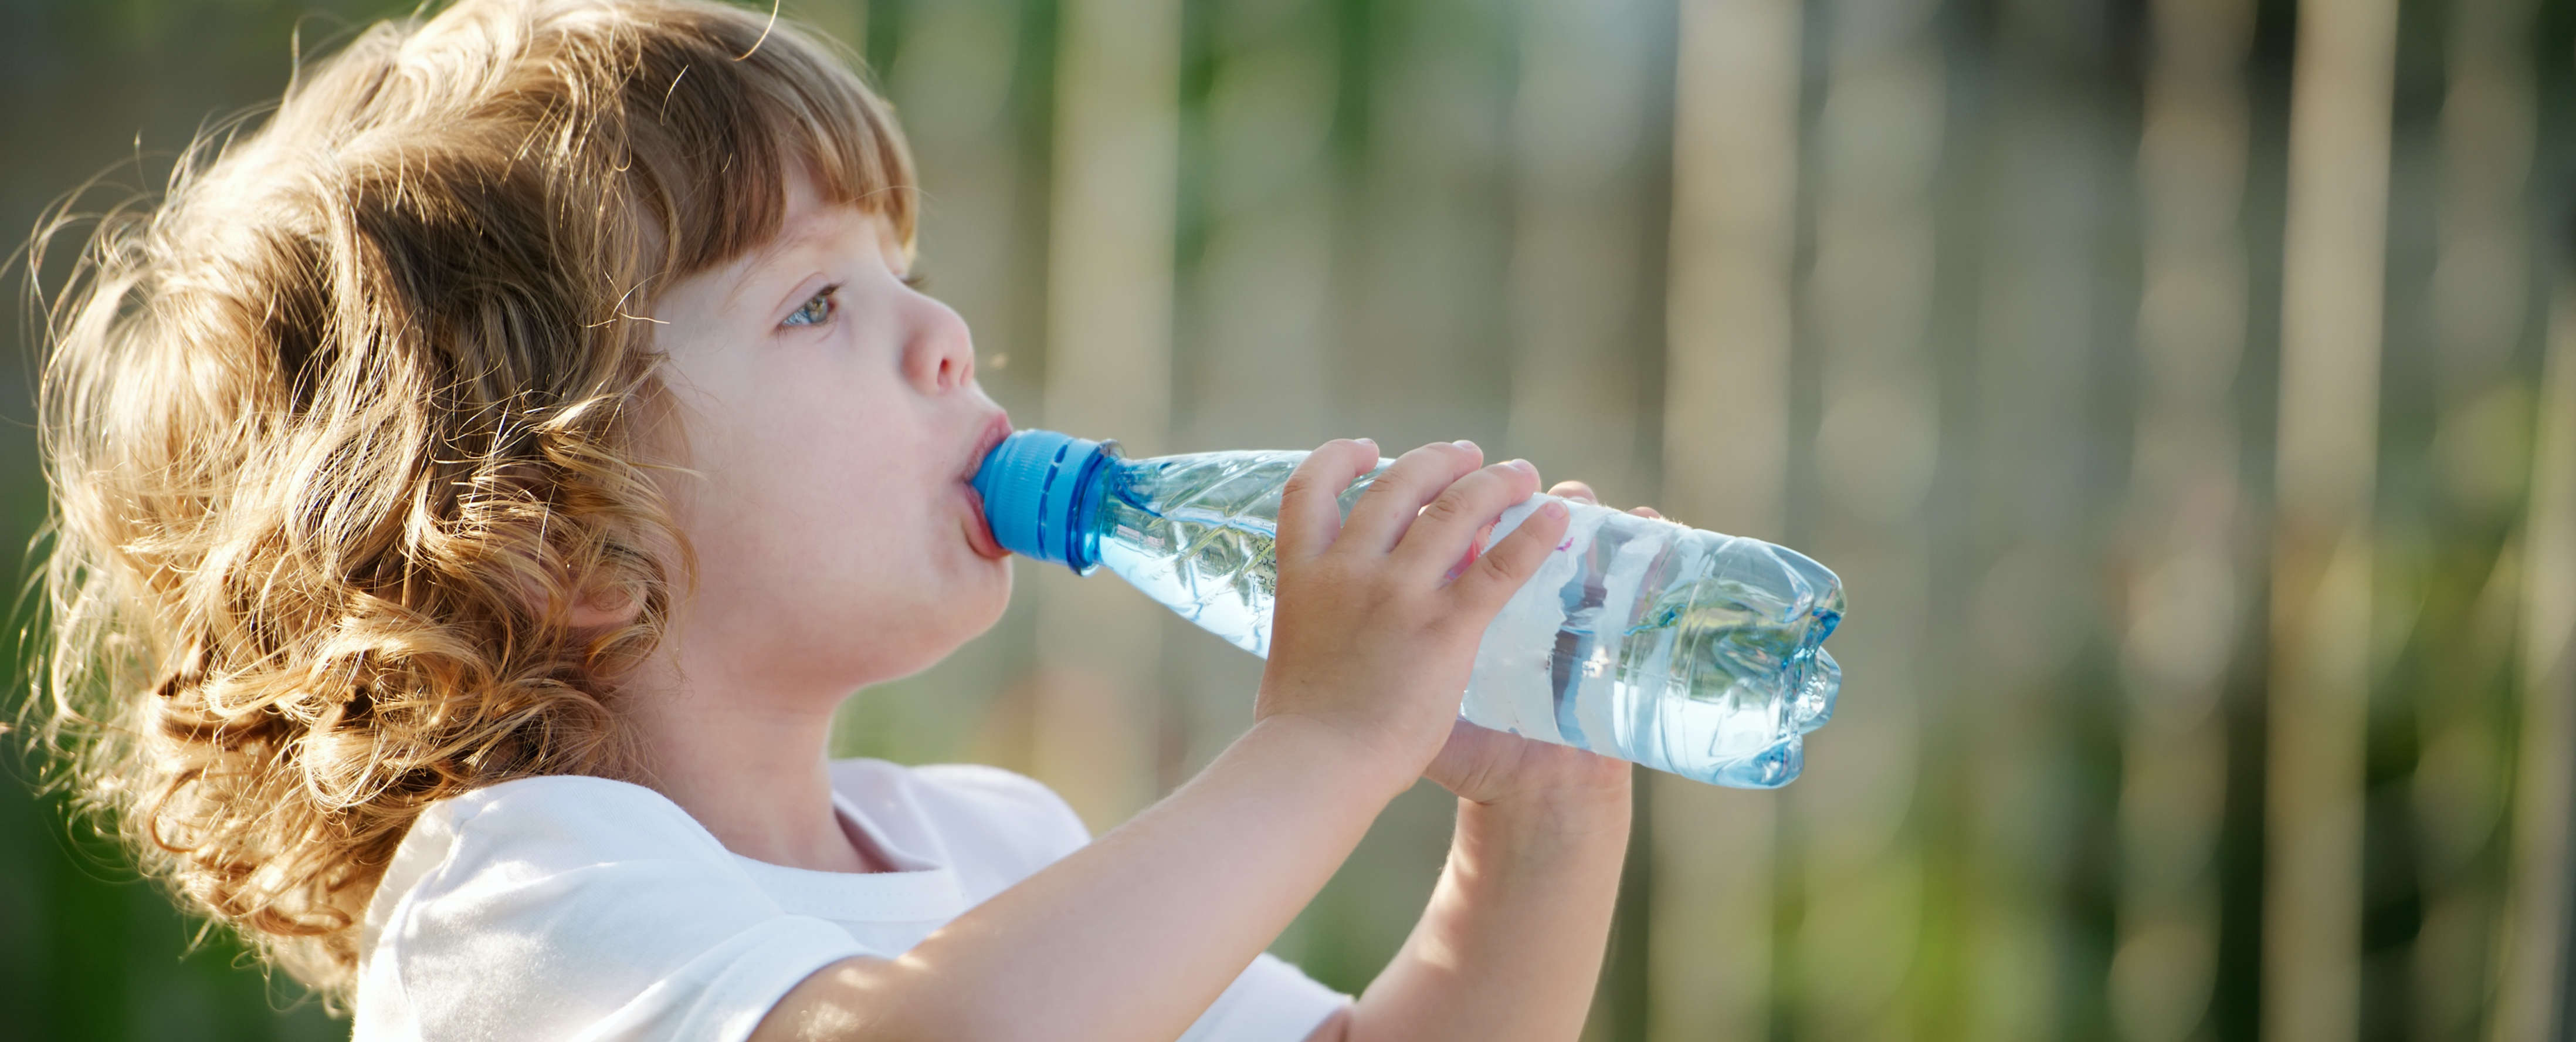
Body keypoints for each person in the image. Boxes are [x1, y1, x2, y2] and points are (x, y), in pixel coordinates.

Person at [24, 1, 1651, 1038]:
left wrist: (1541, 829)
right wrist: (1316, 751)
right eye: (816, 304)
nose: (943, 337)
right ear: (558, 540)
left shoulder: (993, 845)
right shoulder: (512, 901)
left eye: (906, 275)